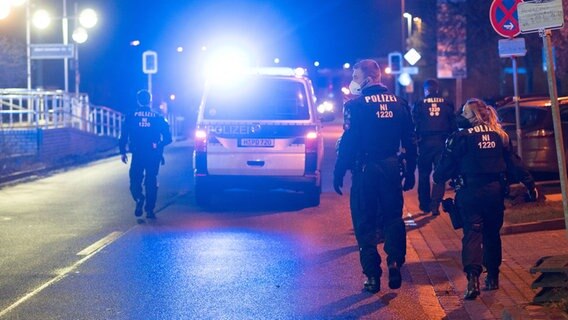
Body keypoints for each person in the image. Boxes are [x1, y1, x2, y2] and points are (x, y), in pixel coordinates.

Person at [433, 98, 537, 300]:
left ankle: (473, 281)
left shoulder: (460, 137)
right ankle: (493, 278)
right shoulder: (500, 136)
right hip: (494, 192)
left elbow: (444, 170)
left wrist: (439, 176)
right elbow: (514, 163)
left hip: (469, 192)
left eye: (464, 113)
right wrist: (530, 184)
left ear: (473, 116)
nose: (461, 116)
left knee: (472, 233)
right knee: (491, 234)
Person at [334, 59, 417, 293]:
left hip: (365, 170)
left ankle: (371, 275)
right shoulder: (400, 104)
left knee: (365, 221)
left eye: (356, 76)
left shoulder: (356, 106)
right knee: (393, 218)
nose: (354, 81)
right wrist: (410, 171)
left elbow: (349, 143)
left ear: (369, 78)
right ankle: (394, 262)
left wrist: (339, 170)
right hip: (391, 168)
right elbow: (410, 141)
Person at [119, 90, 172, 219]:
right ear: (150, 100)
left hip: (137, 153)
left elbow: (124, 135)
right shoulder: (158, 117)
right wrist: (158, 146)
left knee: (135, 178)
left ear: (138, 101)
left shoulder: (131, 116)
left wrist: (123, 151)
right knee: (151, 180)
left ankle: (138, 198)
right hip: (153, 154)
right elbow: (168, 138)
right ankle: (149, 210)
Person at [412, 79, 455, 215]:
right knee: (439, 174)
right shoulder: (447, 103)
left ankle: (424, 204)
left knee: (424, 174)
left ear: (426, 90)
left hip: (425, 143)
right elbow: (453, 124)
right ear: (437, 89)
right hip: (442, 143)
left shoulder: (419, 104)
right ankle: (435, 205)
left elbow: (415, 124)